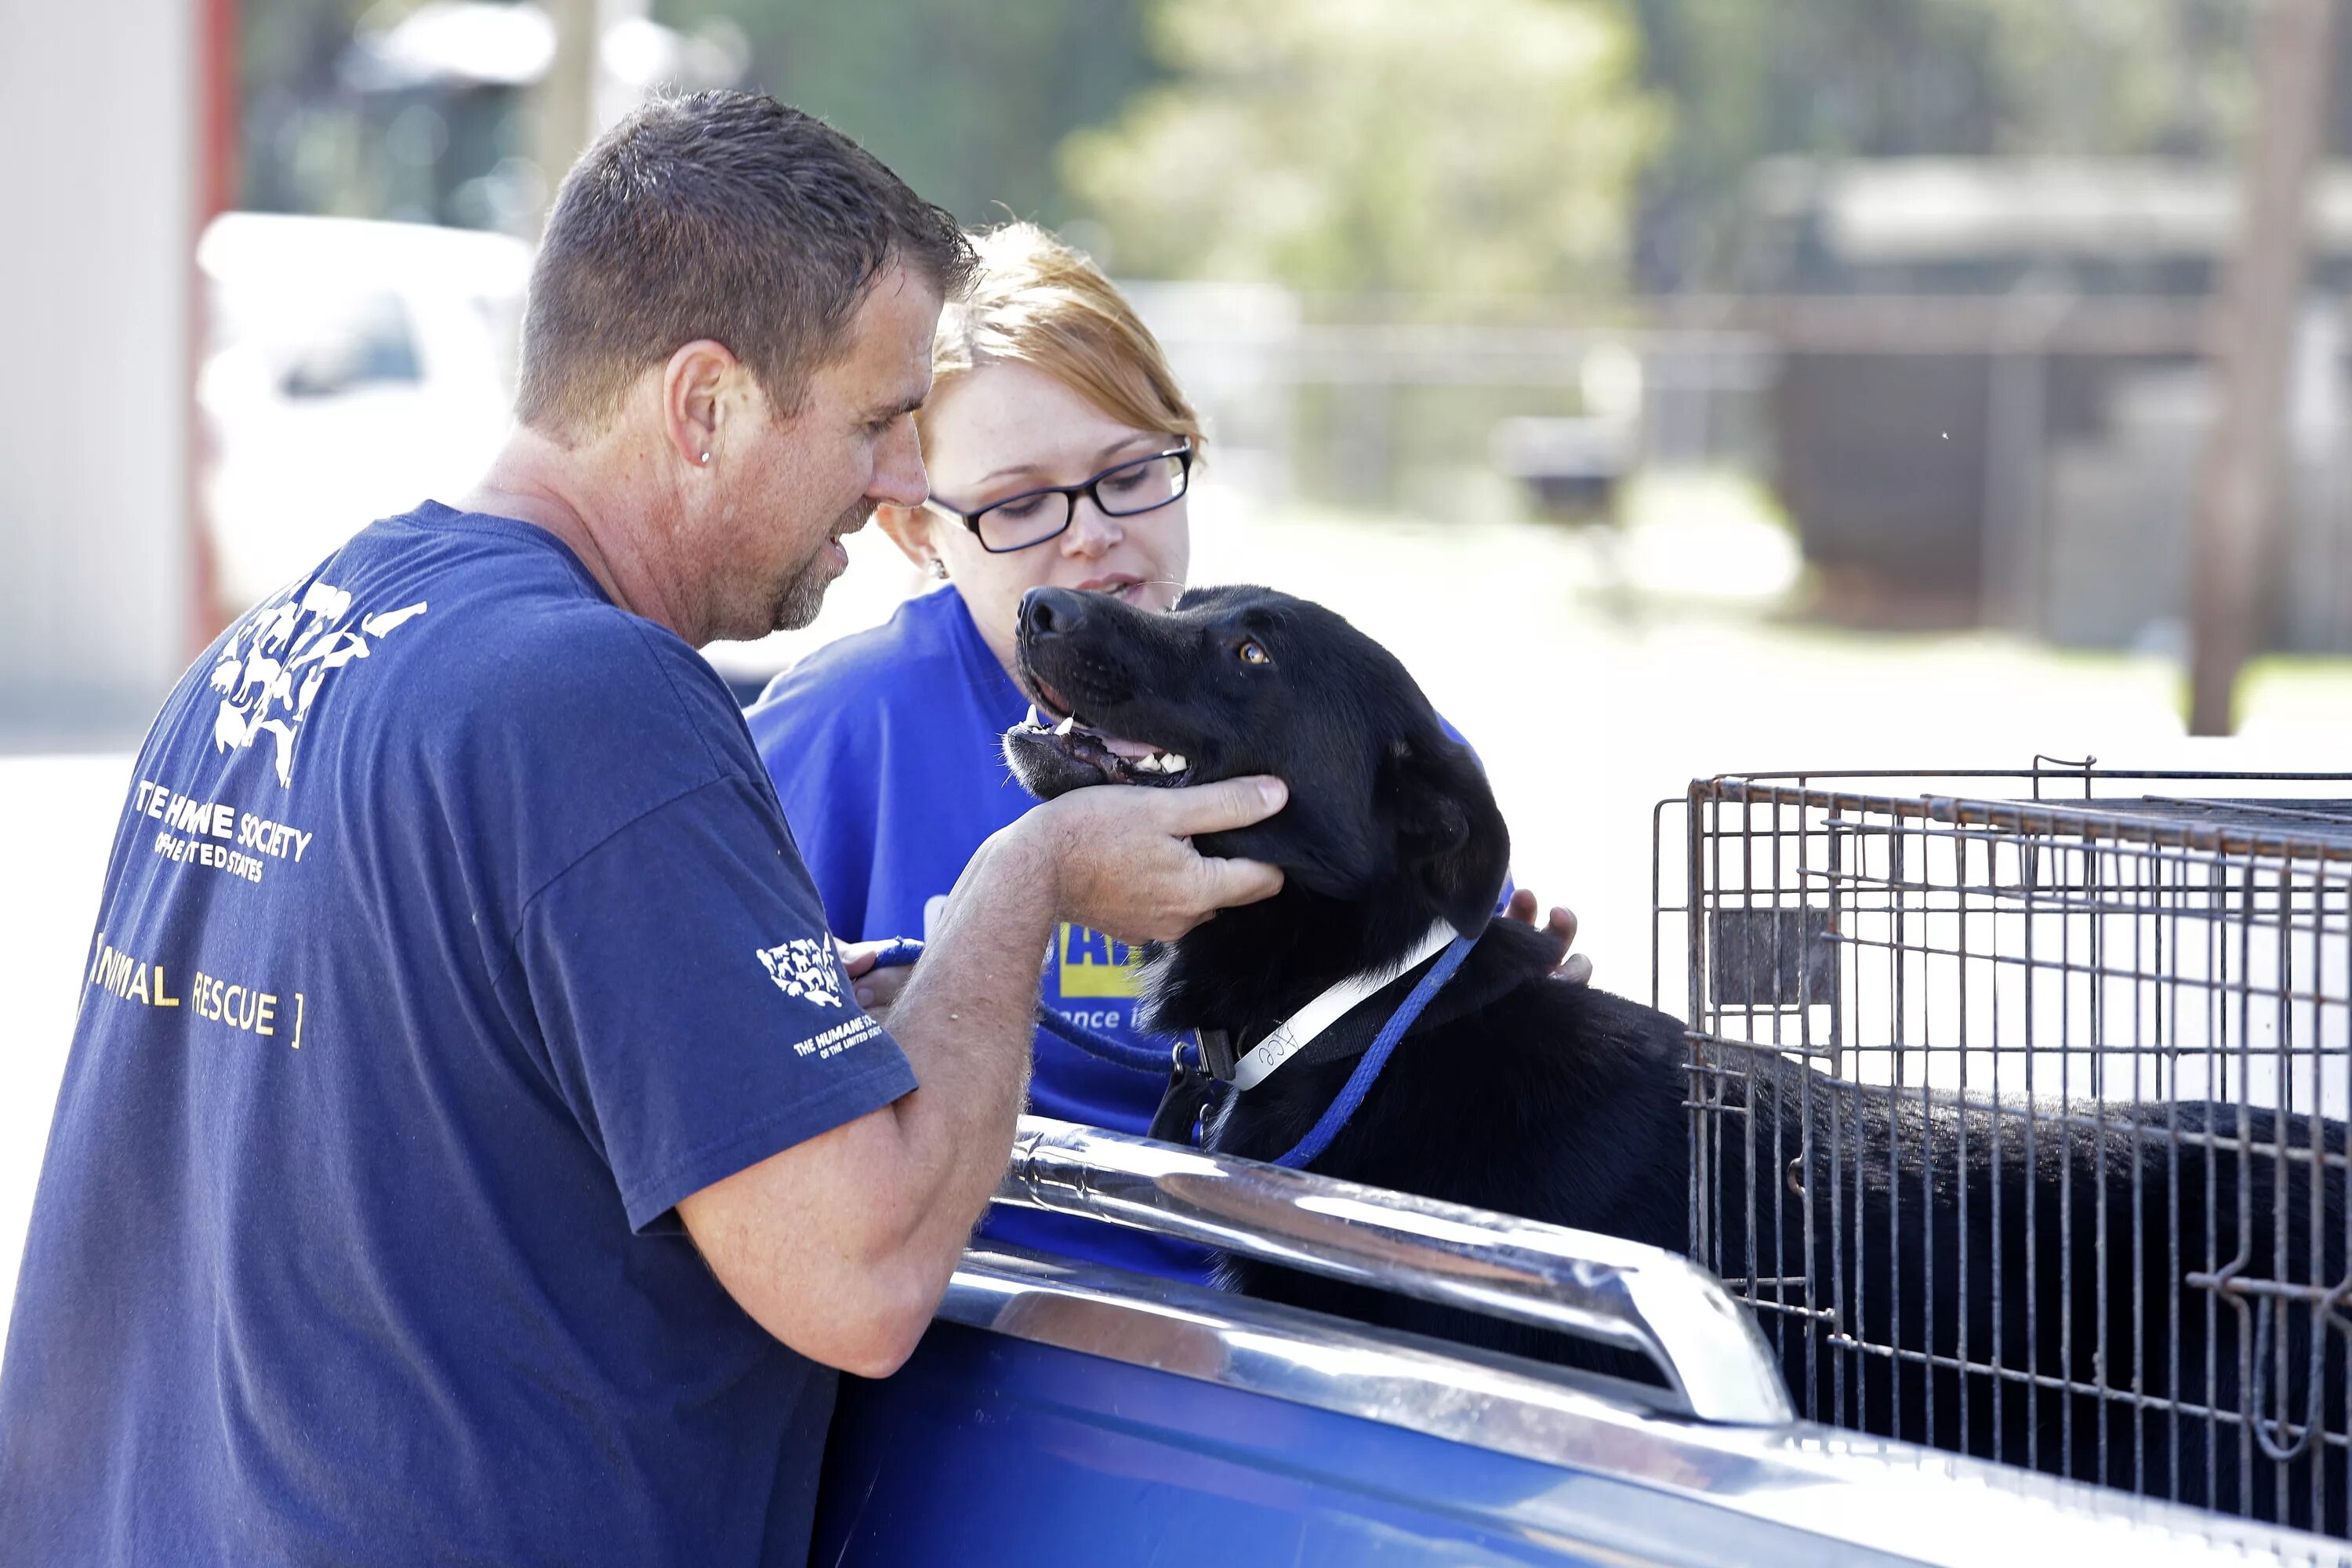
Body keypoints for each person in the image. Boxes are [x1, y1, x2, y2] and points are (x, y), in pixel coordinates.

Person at [0, 95, 1290, 1568]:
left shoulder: (279, 645)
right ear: (703, 405)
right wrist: (1028, 879)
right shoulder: (598, 701)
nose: (893, 490)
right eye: (874, 424)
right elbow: (861, 1280)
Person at [746, 224, 1582, 1283]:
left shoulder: (1322, 716)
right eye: (1018, 502)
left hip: (1287, 1317)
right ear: (920, 533)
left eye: (1131, 474)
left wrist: (1483, 1016)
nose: (1091, 536)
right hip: (977, 1328)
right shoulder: (843, 729)